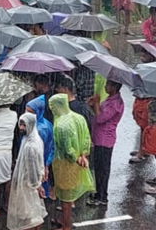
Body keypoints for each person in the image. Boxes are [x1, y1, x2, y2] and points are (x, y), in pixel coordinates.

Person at [48, 94, 94, 230]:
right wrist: (83, 156)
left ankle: (66, 226)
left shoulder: (61, 125)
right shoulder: (78, 117)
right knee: (69, 195)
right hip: (78, 162)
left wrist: (75, 158)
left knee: (65, 199)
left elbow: (67, 149)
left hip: (65, 166)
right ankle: (64, 220)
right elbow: (86, 137)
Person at [7, 113, 48, 230]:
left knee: (29, 217)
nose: (21, 128)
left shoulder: (30, 145)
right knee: (35, 213)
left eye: (24, 125)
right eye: (20, 124)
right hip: (31, 183)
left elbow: (32, 169)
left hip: (28, 185)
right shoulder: (35, 139)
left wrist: (37, 186)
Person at [87, 80, 124, 206]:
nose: (105, 86)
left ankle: (102, 196)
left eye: (108, 84)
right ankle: (99, 193)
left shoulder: (115, 104)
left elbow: (101, 118)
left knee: (102, 169)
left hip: (104, 139)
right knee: (98, 168)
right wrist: (94, 105)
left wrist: (97, 103)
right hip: (99, 137)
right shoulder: (110, 99)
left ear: (114, 87)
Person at [25, 95, 54, 198]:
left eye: (29, 112)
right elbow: (51, 148)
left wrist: (44, 166)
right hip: (41, 164)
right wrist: (46, 165)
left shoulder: (38, 129)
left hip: (36, 165)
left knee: (34, 192)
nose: (26, 114)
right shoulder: (47, 124)